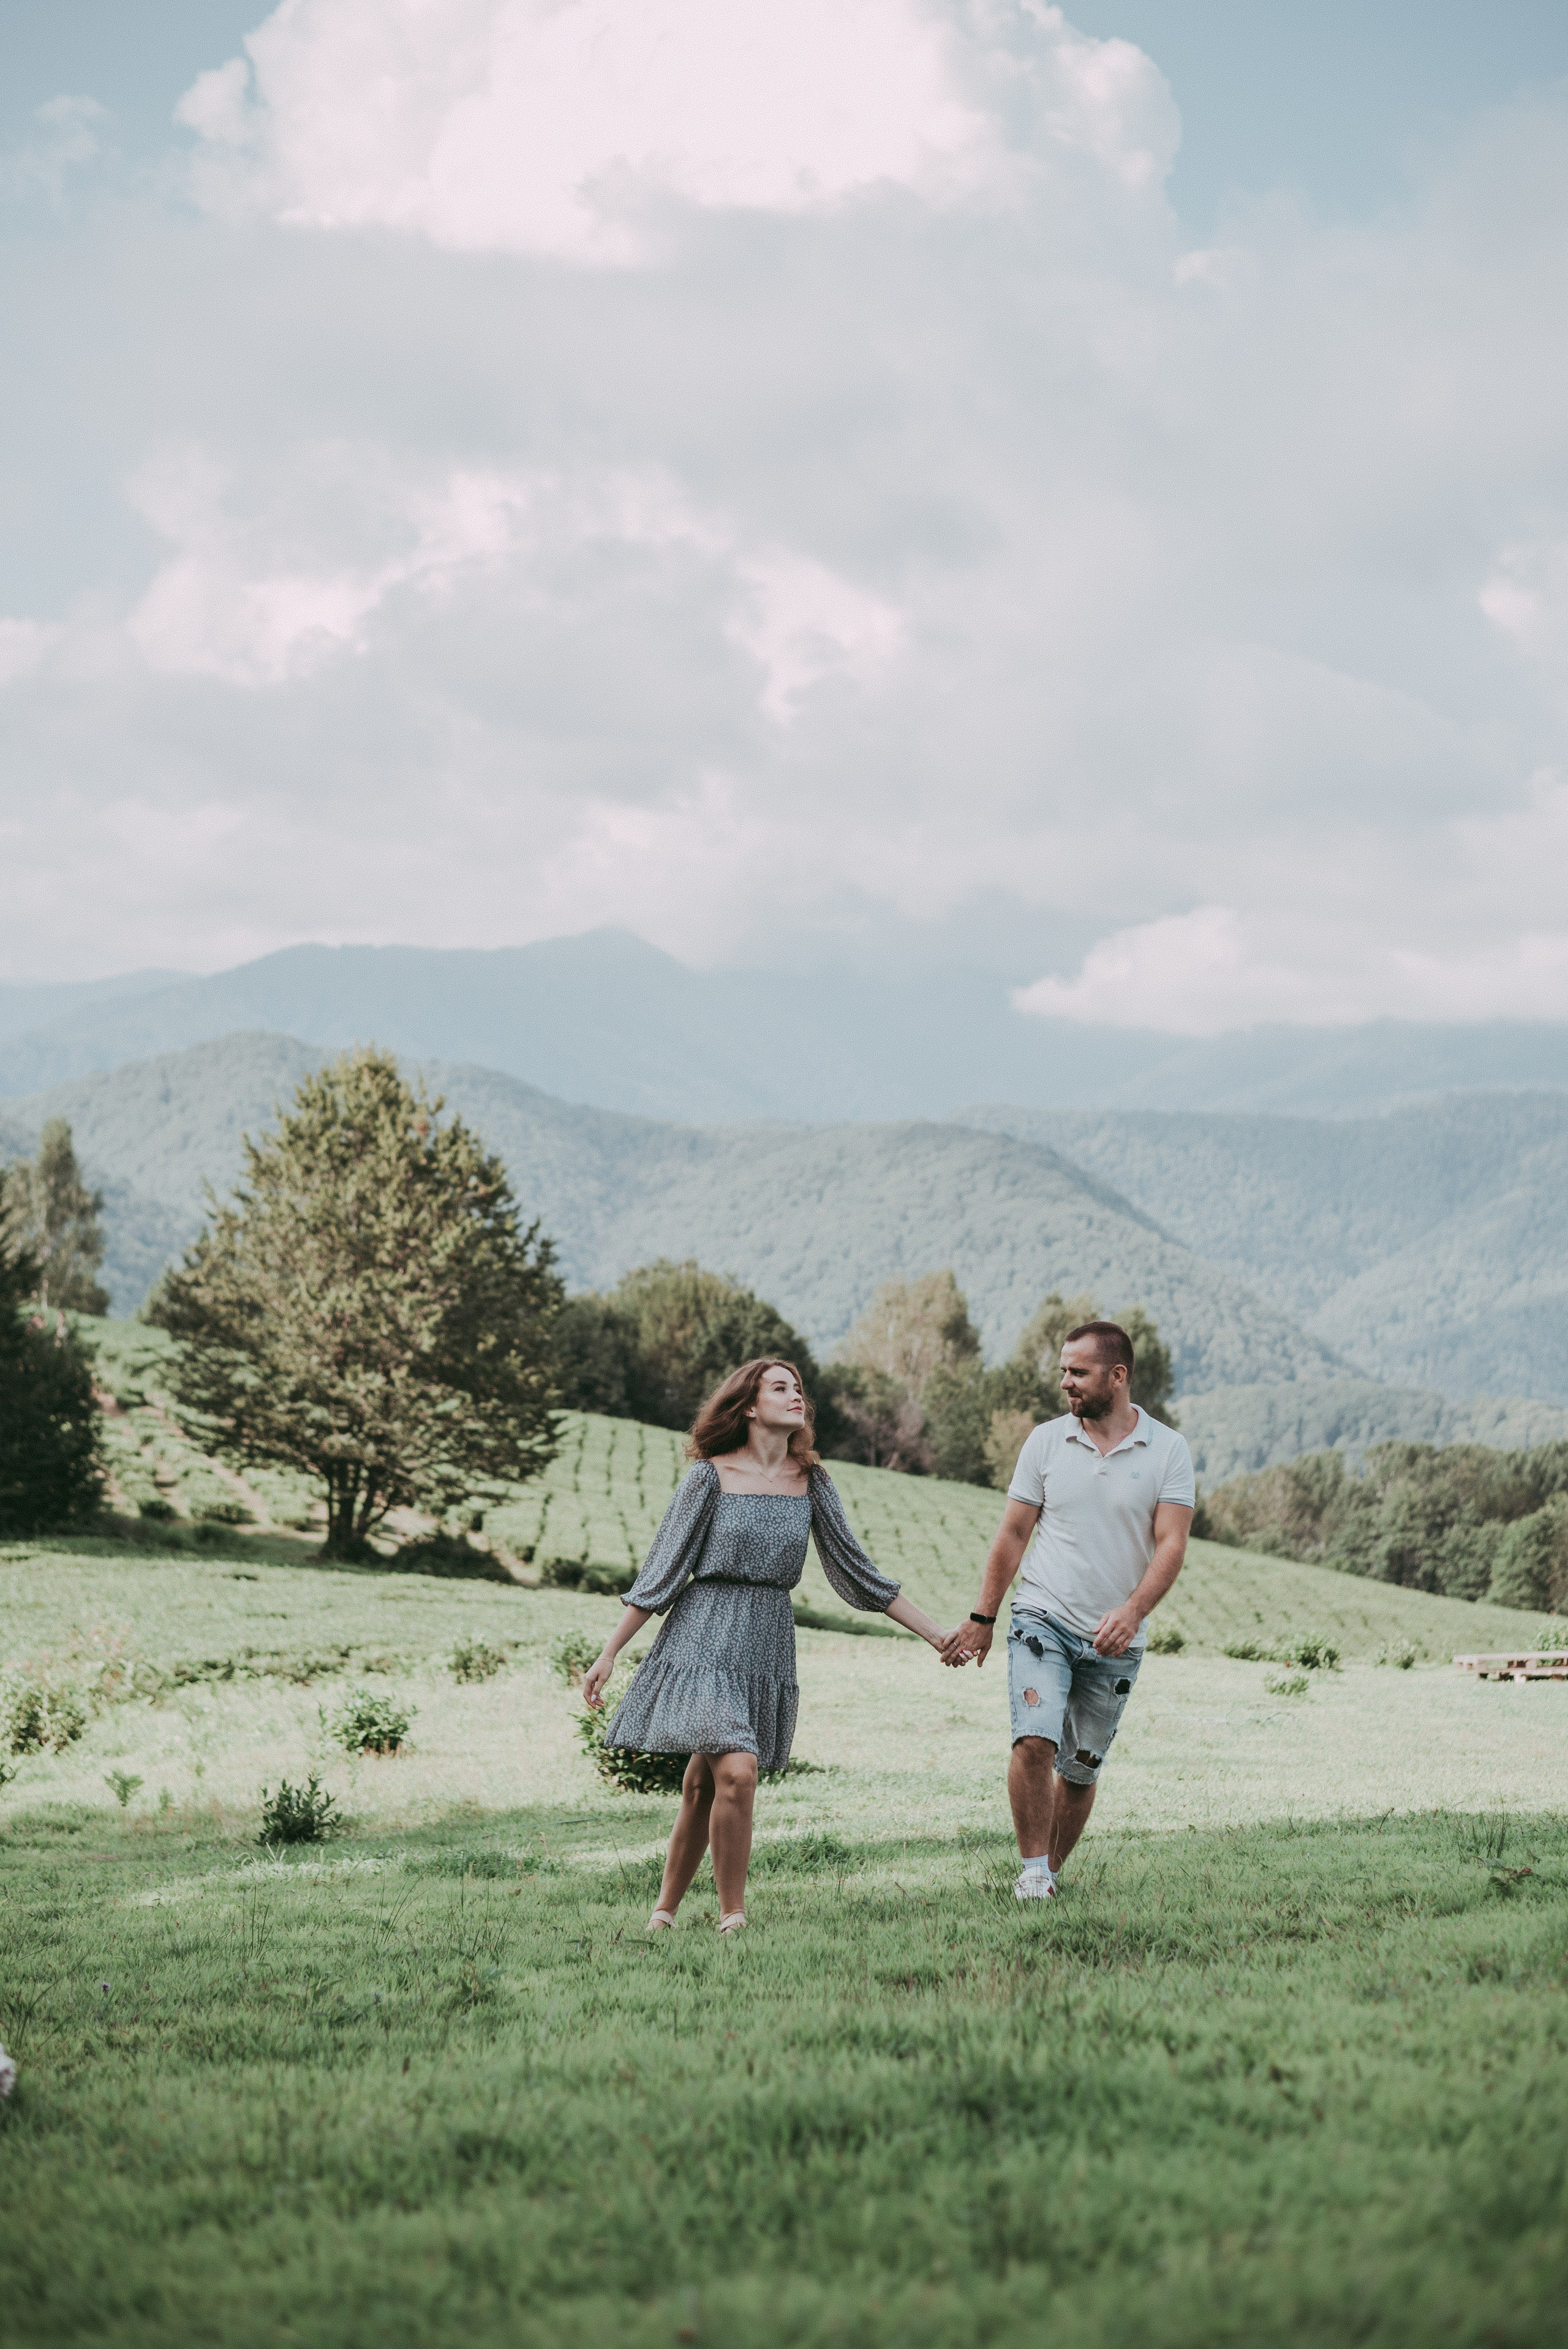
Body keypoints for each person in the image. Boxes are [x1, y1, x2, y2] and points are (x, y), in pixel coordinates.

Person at [582, 1355, 960, 1934]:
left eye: (799, 1388)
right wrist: (610, 1652)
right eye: (780, 1387)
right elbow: (661, 1572)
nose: (796, 1396)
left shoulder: (811, 1480)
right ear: (750, 1405)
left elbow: (860, 1575)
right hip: (702, 1633)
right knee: (737, 1769)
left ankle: (663, 1912)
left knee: (703, 1783)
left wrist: (936, 1633)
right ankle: (733, 1914)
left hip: (766, 1638)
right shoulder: (708, 1477)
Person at [940, 1319, 1194, 1902]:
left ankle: (1049, 1871)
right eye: (1063, 1370)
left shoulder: (1169, 1450)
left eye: (1077, 1372)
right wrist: (983, 1618)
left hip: (1118, 1639)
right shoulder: (1047, 1442)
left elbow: (1172, 1544)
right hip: (1042, 1616)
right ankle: (1032, 1871)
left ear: (1117, 1375)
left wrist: (1132, 1612)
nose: (1065, 1383)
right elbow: (1012, 1533)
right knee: (1035, 1740)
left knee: (1080, 1768)